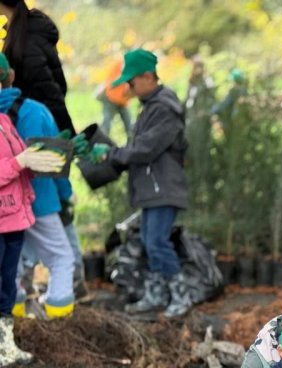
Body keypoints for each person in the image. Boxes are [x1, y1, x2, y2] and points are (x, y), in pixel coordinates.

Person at [90, 48, 191, 318]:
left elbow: (146, 149)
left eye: (131, 82)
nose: (129, 89)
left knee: (157, 242)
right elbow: (140, 147)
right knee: (150, 241)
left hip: (163, 188)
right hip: (152, 188)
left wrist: (112, 155)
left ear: (148, 77)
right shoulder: (151, 106)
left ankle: (181, 297)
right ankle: (156, 294)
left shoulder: (164, 109)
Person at [0, 52, 75, 319]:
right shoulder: (35, 111)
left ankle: (15, 322)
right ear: (11, 76)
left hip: (10, 210)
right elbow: (56, 164)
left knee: (14, 266)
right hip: (39, 202)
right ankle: (60, 317)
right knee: (62, 258)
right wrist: (67, 195)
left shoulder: (6, 118)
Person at [0, 105, 65, 366]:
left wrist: (36, 163)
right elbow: (12, 164)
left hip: (13, 218)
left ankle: (5, 344)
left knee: (6, 285)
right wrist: (20, 162)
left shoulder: (4, 119)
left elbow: (17, 165)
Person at [0, 0, 74, 134]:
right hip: (32, 120)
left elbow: (49, 91)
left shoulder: (27, 39)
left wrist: (66, 136)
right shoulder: (21, 30)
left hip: (36, 127)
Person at [98, 54, 132, 141]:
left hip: (123, 101)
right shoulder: (119, 64)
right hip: (111, 98)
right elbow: (111, 81)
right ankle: (102, 141)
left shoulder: (132, 67)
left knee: (129, 124)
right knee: (107, 122)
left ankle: (132, 144)